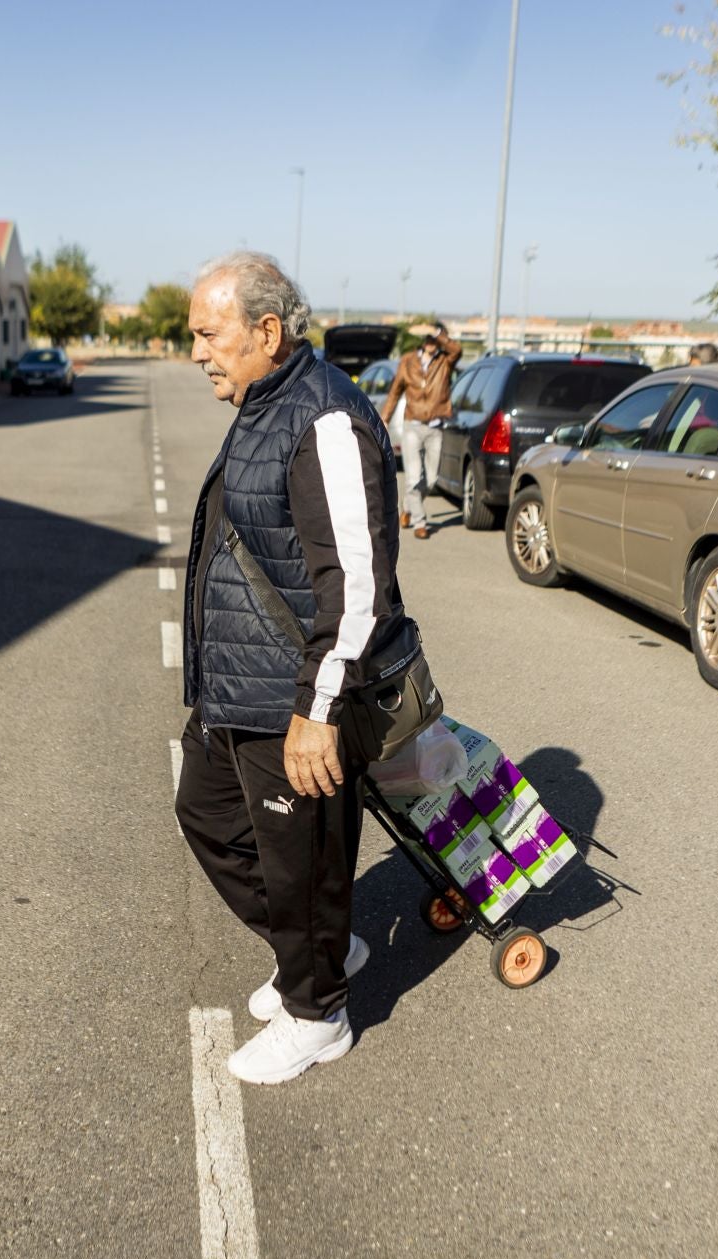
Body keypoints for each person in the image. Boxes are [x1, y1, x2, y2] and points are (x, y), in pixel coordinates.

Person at [175, 251, 411, 1083]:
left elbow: (356, 586)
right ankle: (318, 946)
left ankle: (319, 1014)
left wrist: (316, 709)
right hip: (239, 687)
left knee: (298, 857)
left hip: (294, 698)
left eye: (210, 333)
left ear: (266, 331)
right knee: (207, 815)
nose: (197, 350)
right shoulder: (265, 400)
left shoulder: (326, 419)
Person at [381, 321, 463, 539]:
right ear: (422, 342)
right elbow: (395, 391)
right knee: (413, 477)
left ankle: (407, 507)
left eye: (434, 339)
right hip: (413, 426)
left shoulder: (445, 361)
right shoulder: (408, 361)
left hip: (435, 427)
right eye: (428, 339)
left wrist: (437, 332)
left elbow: (457, 350)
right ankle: (420, 522)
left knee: (432, 479)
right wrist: (385, 418)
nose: (431, 343)